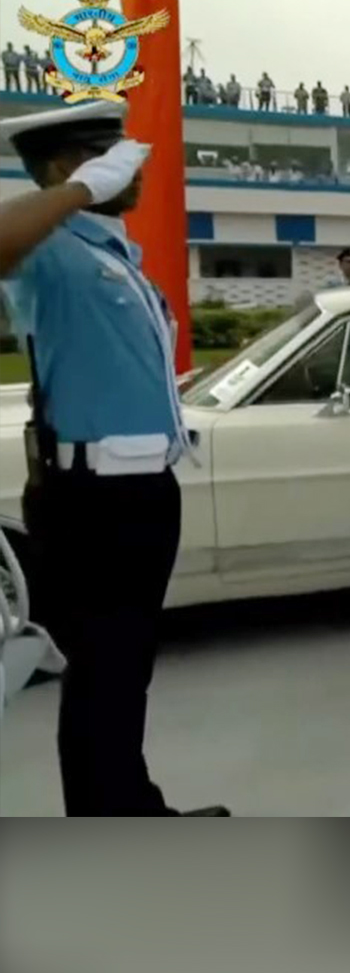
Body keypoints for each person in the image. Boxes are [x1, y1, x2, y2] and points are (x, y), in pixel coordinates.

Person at [0, 101, 228, 816]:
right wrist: (79, 191)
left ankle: (133, 807)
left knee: (124, 673)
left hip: (140, 491)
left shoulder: (109, 253)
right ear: (64, 168)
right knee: (104, 674)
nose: (132, 165)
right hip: (94, 499)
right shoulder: (52, 249)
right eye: (107, 154)